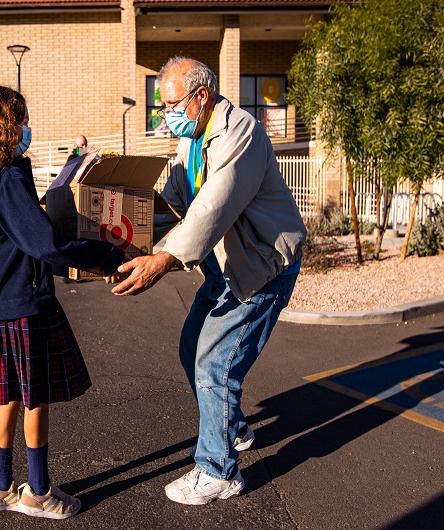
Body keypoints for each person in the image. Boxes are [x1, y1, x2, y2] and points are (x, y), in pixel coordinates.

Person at [109, 57, 307, 505]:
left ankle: (218, 471)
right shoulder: (193, 138)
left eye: (172, 104)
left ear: (201, 96)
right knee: (190, 348)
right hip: (226, 266)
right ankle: (234, 428)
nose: (166, 116)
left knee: (214, 364)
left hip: (261, 268)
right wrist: (123, 233)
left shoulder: (240, 133)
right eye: (161, 108)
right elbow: (174, 199)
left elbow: (211, 209)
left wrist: (162, 260)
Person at [0, 86, 125, 519]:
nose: (28, 128)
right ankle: (40, 493)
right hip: (22, 303)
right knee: (35, 397)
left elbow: (30, 216)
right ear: (5, 126)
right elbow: (44, 241)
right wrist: (105, 256)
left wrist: (72, 163)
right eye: (22, 120)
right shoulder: (7, 178)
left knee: (8, 394)